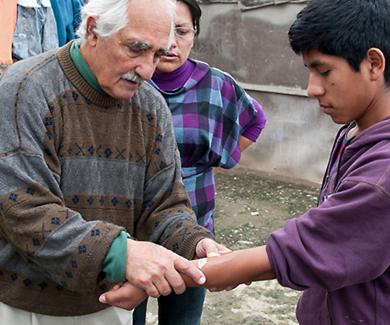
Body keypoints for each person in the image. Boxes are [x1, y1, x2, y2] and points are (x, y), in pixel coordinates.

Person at [101, 0, 390, 323]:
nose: (312, 88)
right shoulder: (355, 131)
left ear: (374, 64)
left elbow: (310, 247)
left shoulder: (382, 173)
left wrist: (166, 277)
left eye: (324, 71)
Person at [0, 0, 228, 324]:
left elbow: (164, 204)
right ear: (93, 30)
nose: (148, 70)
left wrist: (195, 241)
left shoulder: (151, 106)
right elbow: (22, 208)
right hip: (28, 308)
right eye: (137, 48)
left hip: (111, 306)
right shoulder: (25, 89)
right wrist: (120, 253)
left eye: (157, 54)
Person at [132, 0, 266, 324]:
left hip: (194, 218)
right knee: (125, 315)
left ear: (195, 32)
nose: (170, 42)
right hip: (132, 221)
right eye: (163, 31)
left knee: (183, 317)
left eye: (180, 31)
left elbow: (255, 120)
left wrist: (217, 157)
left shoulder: (216, 84)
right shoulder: (129, 81)